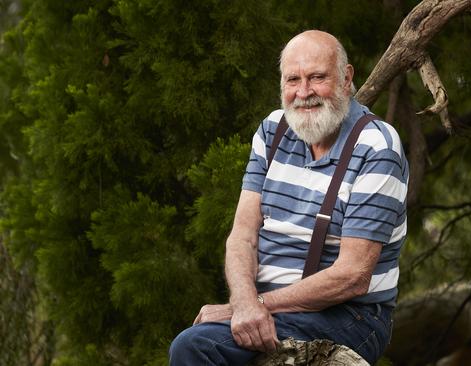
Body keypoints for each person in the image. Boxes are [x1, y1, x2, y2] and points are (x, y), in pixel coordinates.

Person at [169, 30, 408, 365]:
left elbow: (353, 277)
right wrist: (243, 301)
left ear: (346, 78)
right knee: (200, 341)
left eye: (317, 77)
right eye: (293, 79)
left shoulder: (377, 147)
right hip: (271, 305)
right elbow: (242, 236)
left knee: (196, 347)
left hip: (352, 316)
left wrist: (252, 307)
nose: (304, 92)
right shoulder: (273, 130)